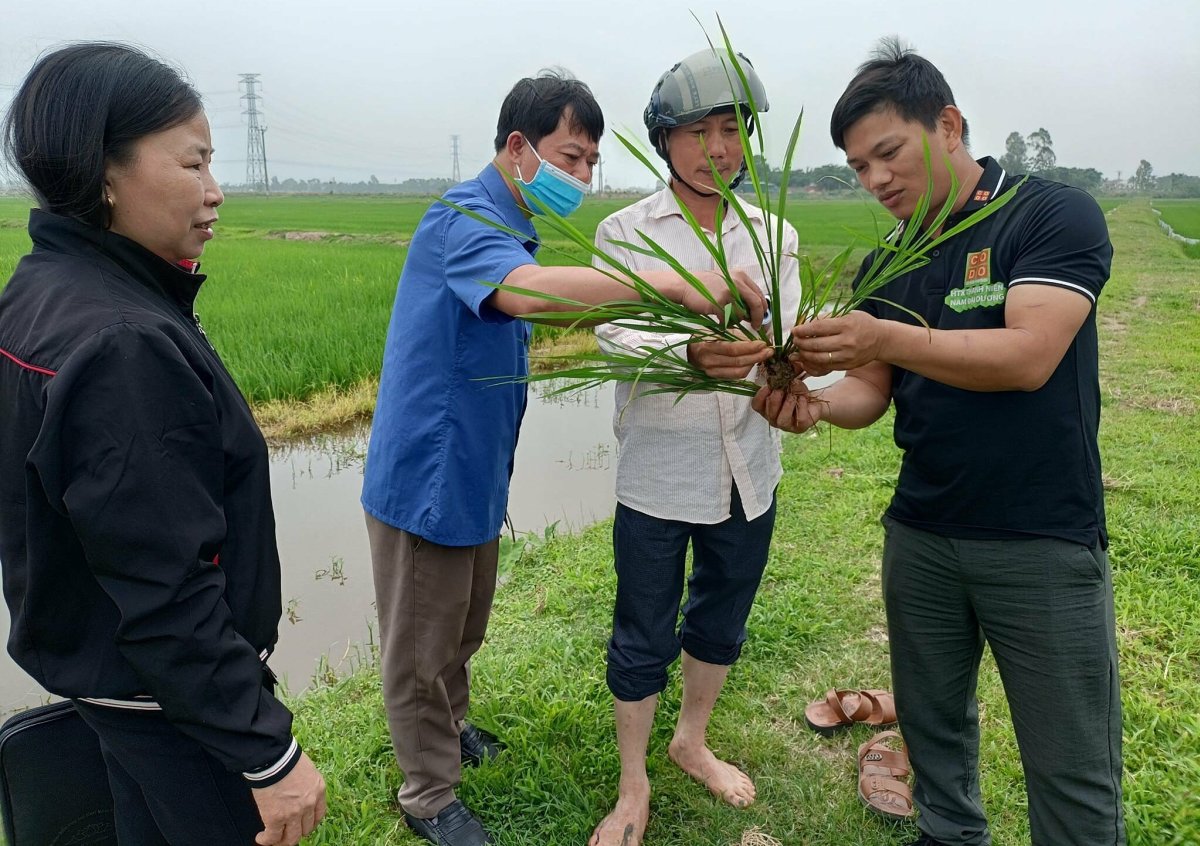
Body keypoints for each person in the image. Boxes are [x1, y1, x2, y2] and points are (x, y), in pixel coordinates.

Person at [360, 70, 765, 846]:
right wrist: (671, 284)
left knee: (461, 626)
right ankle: (427, 794)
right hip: (429, 478)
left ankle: (452, 730)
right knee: (421, 643)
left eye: (589, 164)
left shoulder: (509, 224)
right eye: (569, 158)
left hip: (475, 473)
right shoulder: (464, 219)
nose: (581, 178)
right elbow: (532, 293)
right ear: (518, 149)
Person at [753, 39, 1123, 846]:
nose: (876, 179)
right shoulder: (889, 260)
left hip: (1040, 536)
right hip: (922, 532)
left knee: (1070, 765)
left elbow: (1028, 357)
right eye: (858, 167)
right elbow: (871, 393)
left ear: (947, 125)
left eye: (887, 152)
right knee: (934, 737)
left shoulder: (1046, 213)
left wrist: (883, 335)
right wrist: (813, 405)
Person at [0, 44, 326, 846]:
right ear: (104, 171)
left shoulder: (41, 290)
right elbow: (168, 584)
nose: (216, 193)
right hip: (169, 701)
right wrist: (267, 752)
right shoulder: (122, 341)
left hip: (109, 681)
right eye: (194, 163)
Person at [586, 49, 798, 846]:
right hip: (659, 476)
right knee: (642, 626)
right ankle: (632, 782)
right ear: (664, 141)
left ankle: (692, 741)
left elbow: (790, 347)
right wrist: (686, 351)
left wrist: (768, 334)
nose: (720, 147)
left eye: (733, 128)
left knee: (722, 612)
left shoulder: (772, 233)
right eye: (700, 131)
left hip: (750, 471)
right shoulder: (625, 232)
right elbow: (614, 329)